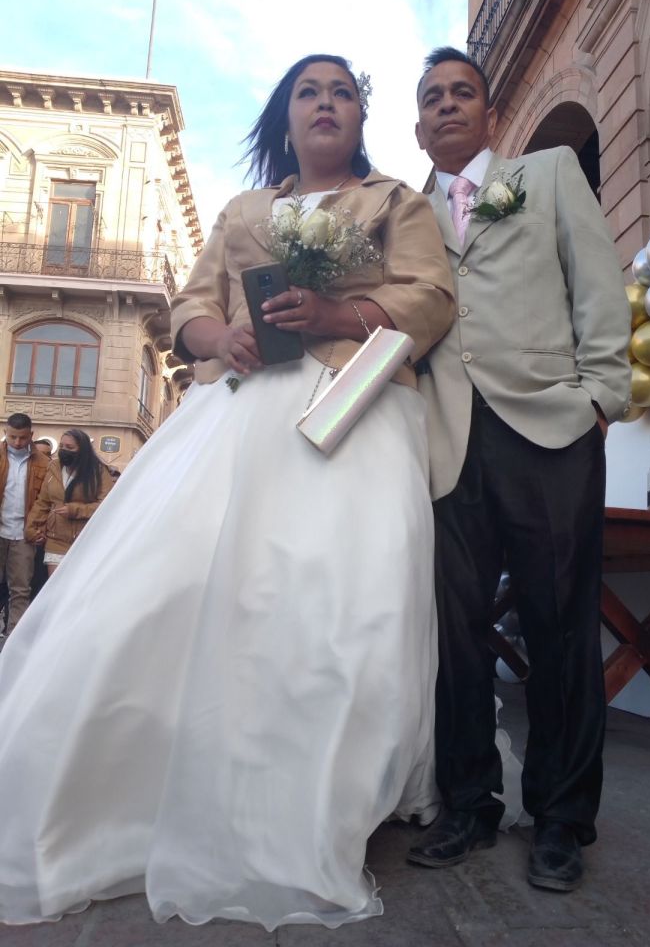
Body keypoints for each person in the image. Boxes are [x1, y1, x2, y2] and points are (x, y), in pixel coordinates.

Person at [0, 54, 454, 929]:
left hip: (354, 410)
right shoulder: (244, 211)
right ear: (285, 118)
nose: (326, 104)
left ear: (361, 117)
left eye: (343, 92)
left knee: (338, 602)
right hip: (237, 412)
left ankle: (314, 795)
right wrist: (222, 338)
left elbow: (430, 298)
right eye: (308, 92)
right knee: (170, 585)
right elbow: (190, 307)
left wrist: (333, 316)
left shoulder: (396, 202)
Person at [407, 48, 631, 891]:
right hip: (446, 438)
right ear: (418, 127)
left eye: (463, 92)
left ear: (490, 114)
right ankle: (469, 804)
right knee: (455, 632)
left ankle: (562, 818)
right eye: (433, 97)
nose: (448, 105)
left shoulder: (550, 172)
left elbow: (595, 281)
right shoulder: (406, 214)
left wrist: (601, 395)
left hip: (550, 427)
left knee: (560, 624)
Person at [25, 429, 114, 576]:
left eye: (70, 447)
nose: (64, 450)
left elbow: (108, 504)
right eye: (61, 446)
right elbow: (43, 503)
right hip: (56, 539)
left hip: (85, 539)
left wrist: (75, 510)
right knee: (55, 585)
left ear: (83, 449)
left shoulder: (98, 471)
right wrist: (31, 529)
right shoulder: (54, 467)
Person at [0, 414, 49, 641]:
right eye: (12, 437)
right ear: (5, 433)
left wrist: (41, 529)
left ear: (31, 435)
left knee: (20, 590)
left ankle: (13, 642)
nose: (17, 442)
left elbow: (47, 501)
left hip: (24, 535)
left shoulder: (45, 463)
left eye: (22, 437)